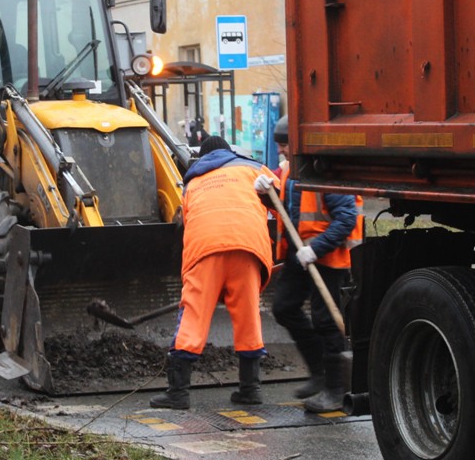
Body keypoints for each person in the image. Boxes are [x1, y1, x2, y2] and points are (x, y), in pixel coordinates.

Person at [150, 135, 278, 410]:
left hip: (206, 249)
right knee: (248, 316)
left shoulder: (193, 183)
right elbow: (278, 198)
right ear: (228, 153)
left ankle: (178, 393)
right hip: (248, 247)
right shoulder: (253, 169)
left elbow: (187, 221)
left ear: (203, 160)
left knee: (194, 316)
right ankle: (250, 388)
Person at [259, 115, 363, 413]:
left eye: (284, 146)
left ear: (298, 144)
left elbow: (346, 219)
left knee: (326, 320)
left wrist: (315, 249)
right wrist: (265, 194)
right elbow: (287, 209)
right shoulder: (291, 172)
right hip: (298, 254)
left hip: (327, 258)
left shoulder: (325, 174)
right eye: (279, 146)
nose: (281, 152)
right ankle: (319, 371)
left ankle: (335, 388)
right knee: (284, 308)